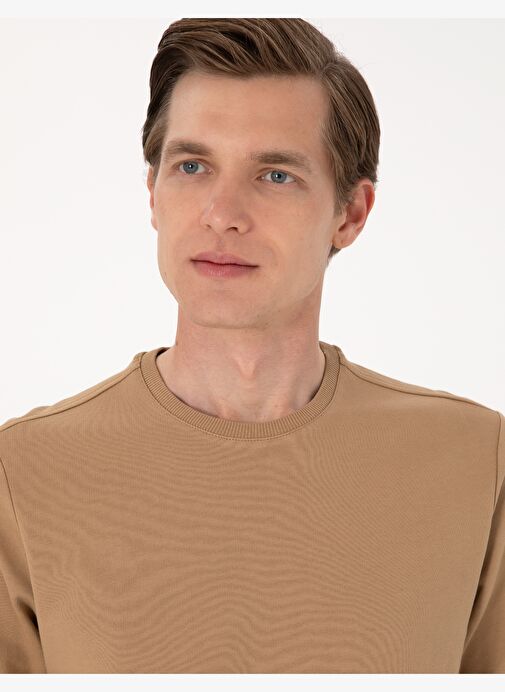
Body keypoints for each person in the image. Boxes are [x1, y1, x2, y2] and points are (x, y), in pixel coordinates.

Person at [0, 17, 503, 674]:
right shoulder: (22, 474)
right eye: (191, 166)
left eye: (275, 175)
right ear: (152, 194)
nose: (222, 213)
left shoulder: (476, 463)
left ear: (351, 214)